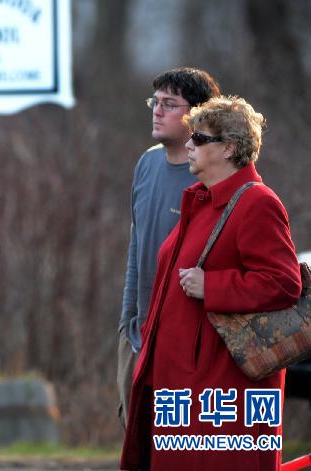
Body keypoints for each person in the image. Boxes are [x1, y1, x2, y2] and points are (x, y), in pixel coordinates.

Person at [121, 96, 302, 470]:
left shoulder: (257, 203)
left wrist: (213, 286)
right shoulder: (201, 201)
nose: (188, 144)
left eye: (199, 139)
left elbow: (284, 282)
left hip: (222, 393)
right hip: (183, 389)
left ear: (229, 148)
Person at [117, 67, 220, 427]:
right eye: (155, 102)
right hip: (138, 338)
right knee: (137, 447)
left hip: (186, 346)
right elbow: (137, 249)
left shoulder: (213, 176)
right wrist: (127, 323)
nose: (157, 111)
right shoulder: (146, 164)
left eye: (169, 104)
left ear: (198, 115)